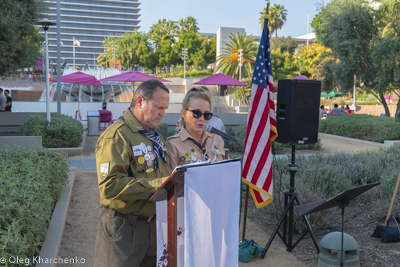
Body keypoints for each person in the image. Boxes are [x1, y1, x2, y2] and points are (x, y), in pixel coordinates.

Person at [94, 79, 170, 267]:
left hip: (152, 228)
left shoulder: (154, 135)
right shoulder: (117, 135)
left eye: (165, 108)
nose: (163, 113)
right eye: (159, 107)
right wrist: (158, 184)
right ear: (139, 101)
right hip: (124, 229)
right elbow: (110, 186)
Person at [167, 87, 226, 174]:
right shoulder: (173, 144)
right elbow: (171, 183)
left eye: (206, 115)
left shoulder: (217, 139)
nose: (201, 119)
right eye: (196, 113)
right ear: (184, 113)